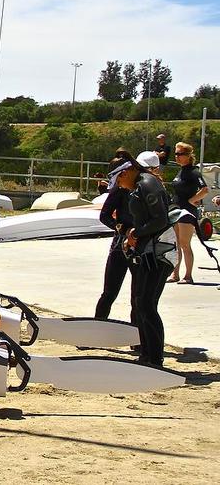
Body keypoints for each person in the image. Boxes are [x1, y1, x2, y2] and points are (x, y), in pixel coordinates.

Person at [117, 155, 177, 368]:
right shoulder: (141, 184)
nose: (119, 186)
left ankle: (155, 358)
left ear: (126, 172)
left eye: (118, 180)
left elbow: (160, 219)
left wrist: (137, 233)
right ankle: (147, 354)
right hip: (149, 252)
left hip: (161, 252)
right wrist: (133, 236)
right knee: (139, 302)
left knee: (147, 304)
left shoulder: (148, 184)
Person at [94, 150, 137, 322]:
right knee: (110, 291)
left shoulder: (143, 187)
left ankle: (138, 334)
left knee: (138, 296)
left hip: (141, 245)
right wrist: (122, 229)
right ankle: (97, 327)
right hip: (121, 244)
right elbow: (104, 215)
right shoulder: (119, 191)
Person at [169, 142, 208, 284]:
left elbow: (204, 189)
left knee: (185, 244)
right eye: (176, 154)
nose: (177, 157)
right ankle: (175, 274)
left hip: (187, 212)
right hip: (176, 211)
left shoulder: (193, 172)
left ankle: (188, 275)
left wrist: (193, 200)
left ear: (187, 156)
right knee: (177, 244)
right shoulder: (181, 171)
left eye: (180, 154)